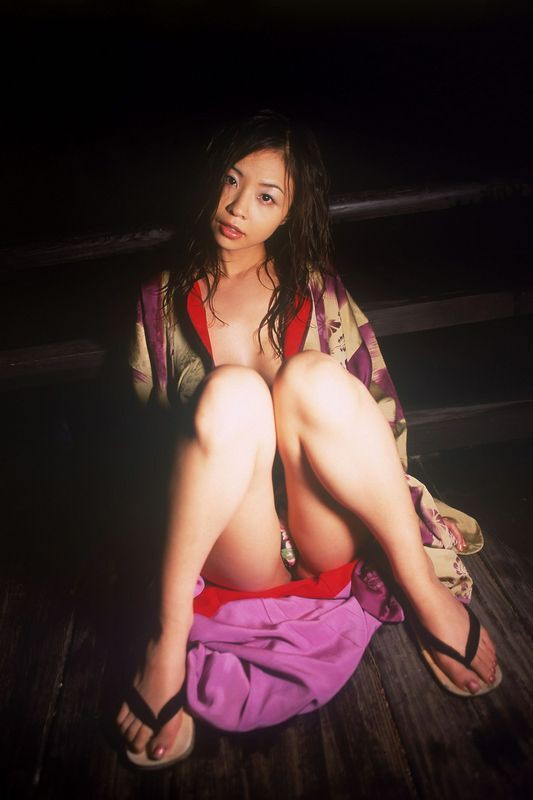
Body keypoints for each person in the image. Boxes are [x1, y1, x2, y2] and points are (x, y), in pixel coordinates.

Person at [116, 110, 500, 769]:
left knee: (313, 375)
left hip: (324, 524)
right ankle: (168, 639)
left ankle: (421, 589)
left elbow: (374, 415)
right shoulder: (157, 302)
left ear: (291, 212)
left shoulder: (319, 291)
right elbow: (151, 448)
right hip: (236, 541)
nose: (237, 207)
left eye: (266, 197)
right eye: (230, 181)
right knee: (231, 392)